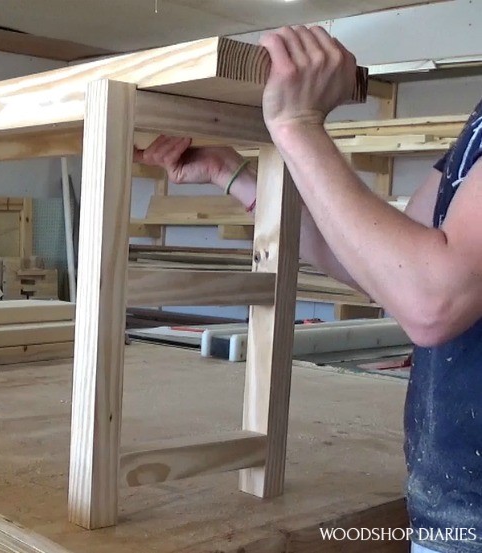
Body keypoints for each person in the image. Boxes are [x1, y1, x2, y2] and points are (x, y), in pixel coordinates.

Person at [135, 26, 482, 553]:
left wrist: (296, 125)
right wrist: (234, 175)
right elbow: (380, 264)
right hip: (451, 513)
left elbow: (431, 301)